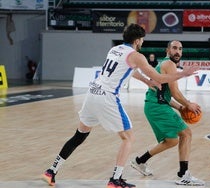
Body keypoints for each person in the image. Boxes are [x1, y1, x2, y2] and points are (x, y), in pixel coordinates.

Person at [41, 25, 199, 188]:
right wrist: (183, 73)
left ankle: (51, 171)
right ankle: (115, 179)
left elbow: (129, 70)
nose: (142, 42)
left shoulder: (115, 49)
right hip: (107, 97)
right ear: (137, 40)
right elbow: (159, 76)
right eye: (142, 40)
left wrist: (146, 81)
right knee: (128, 137)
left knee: (79, 136)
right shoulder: (137, 56)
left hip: (92, 93)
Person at [130, 40, 205, 186]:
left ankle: (140, 161)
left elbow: (165, 95)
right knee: (186, 133)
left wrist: (180, 108)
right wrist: (188, 104)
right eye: (174, 48)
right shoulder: (169, 64)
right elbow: (175, 93)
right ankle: (183, 175)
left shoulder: (163, 64)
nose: (178, 51)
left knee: (172, 140)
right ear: (167, 50)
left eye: (180, 49)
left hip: (155, 105)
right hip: (157, 107)